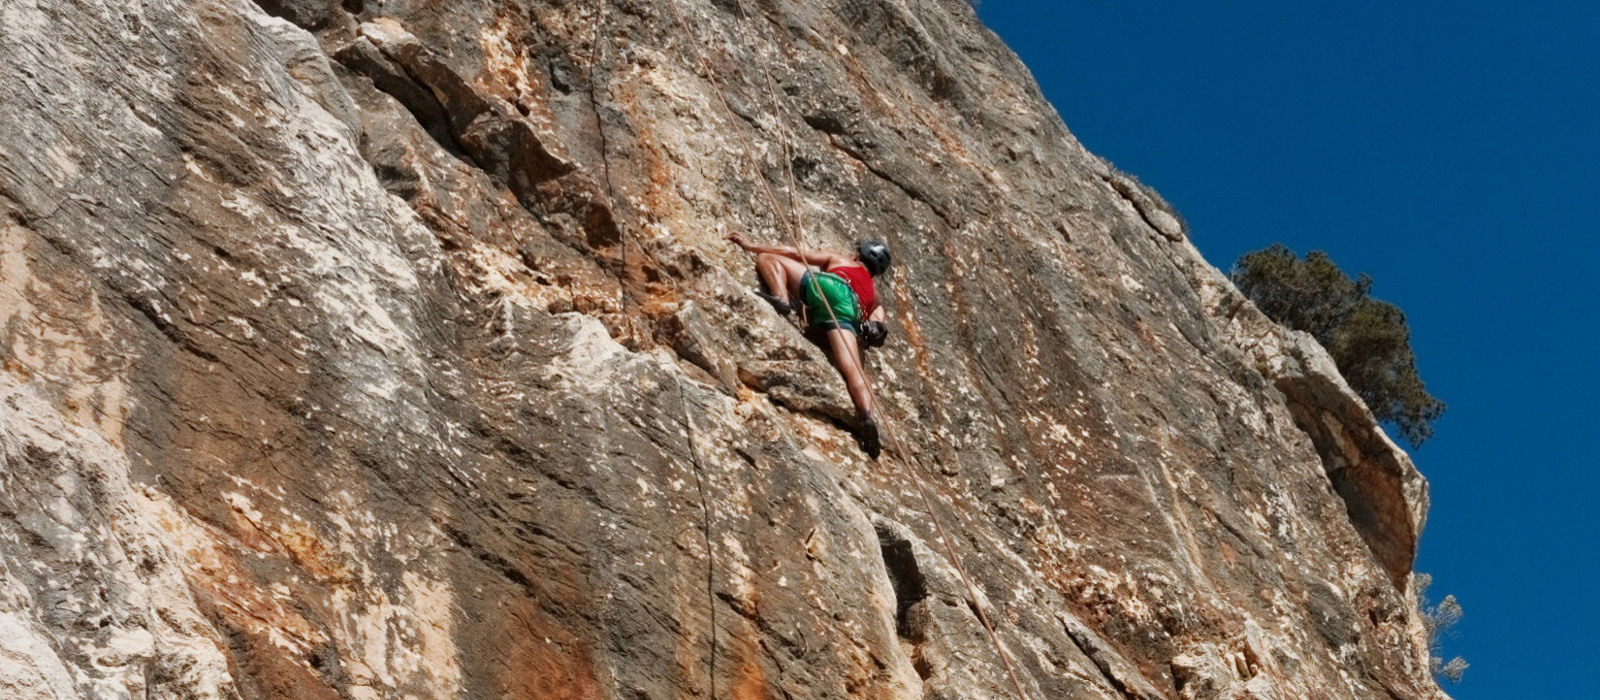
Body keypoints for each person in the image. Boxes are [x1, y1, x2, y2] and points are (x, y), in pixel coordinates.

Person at [728, 232, 892, 458]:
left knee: (768, 258)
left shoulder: (840, 260)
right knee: (854, 368)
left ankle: (781, 298)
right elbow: (878, 324)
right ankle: (865, 415)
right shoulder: (875, 296)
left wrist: (751, 245)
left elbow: (794, 253)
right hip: (848, 311)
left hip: (828, 286)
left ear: (857, 256)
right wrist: (872, 328)